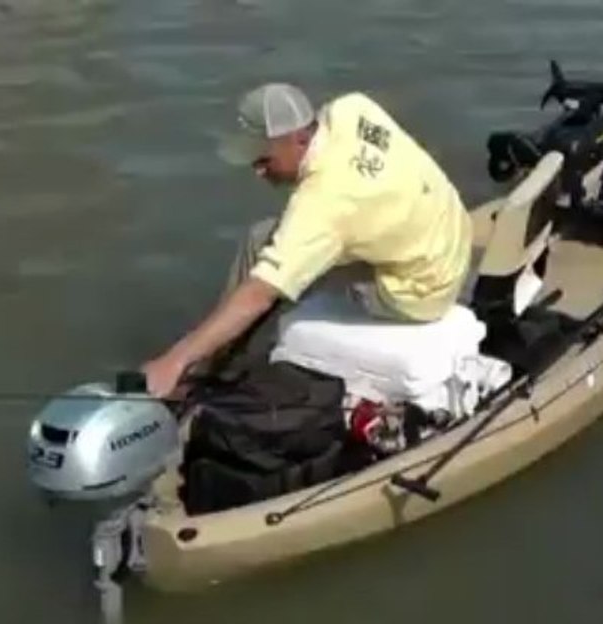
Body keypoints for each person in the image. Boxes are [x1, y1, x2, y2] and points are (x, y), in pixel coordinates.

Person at [140, 82, 475, 398]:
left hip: (419, 293)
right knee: (276, 242)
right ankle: (220, 359)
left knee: (267, 263)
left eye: (263, 158)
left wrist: (176, 357)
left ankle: (208, 379)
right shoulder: (353, 108)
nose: (257, 171)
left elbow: (258, 294)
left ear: (300, 139)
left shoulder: (323, 204)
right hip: (450, 232)